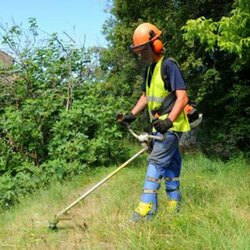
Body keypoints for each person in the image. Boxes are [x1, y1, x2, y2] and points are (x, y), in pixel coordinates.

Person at [119, 23, 191, 222]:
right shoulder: (150, 71)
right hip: (159, 126)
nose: (141, 55)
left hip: (171, 127)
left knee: (155, 162)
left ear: (156, 45)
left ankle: (146, 210)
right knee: (171, 165)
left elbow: (182, 97)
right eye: (139, 52)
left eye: (143, 50)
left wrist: (169, 120)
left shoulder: (170, 65)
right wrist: (131, 115)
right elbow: (145, 97)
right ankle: (174, 204)